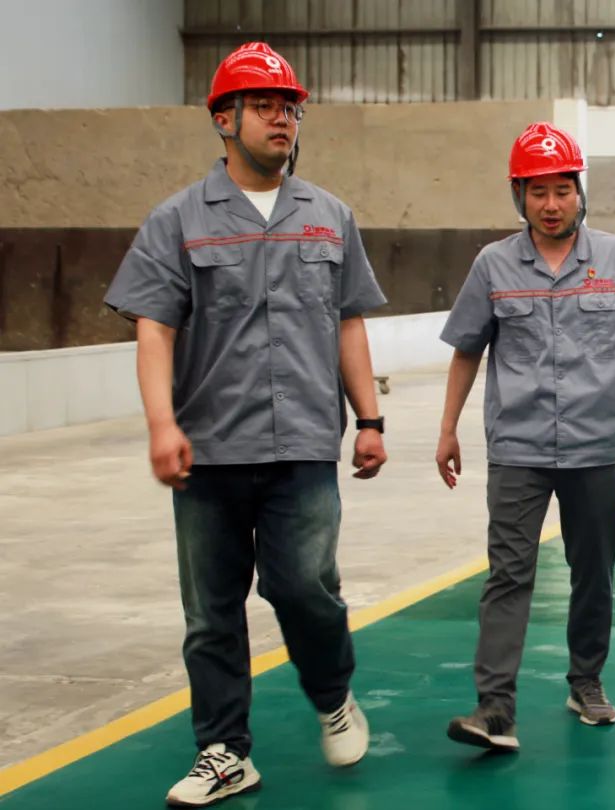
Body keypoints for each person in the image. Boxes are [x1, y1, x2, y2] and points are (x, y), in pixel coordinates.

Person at [104, 42, 388, 807]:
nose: (280, 118)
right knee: (211, 613)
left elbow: (348, 322)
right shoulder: (176, 220)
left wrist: (370, 418)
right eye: (263, 105)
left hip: (303, 442)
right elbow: (154, 329)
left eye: (288, 107)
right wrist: (161, 425)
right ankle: (225, 751)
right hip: (209, 448)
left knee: (304, 587)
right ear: (223, 120)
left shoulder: (329, 217)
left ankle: (332, 694)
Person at [436, 122, 615, 752]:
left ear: (579, 192)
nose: (551, 204)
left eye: (562, 190)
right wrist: (448, 428)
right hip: (519, 446)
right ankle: (495, 709)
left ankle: (585, 681)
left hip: (595, 444)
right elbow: (466, 349)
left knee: (592, 571)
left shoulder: (614, 256)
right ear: (519, 195)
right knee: (508, 574)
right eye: (537, 191)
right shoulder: (493, 264)